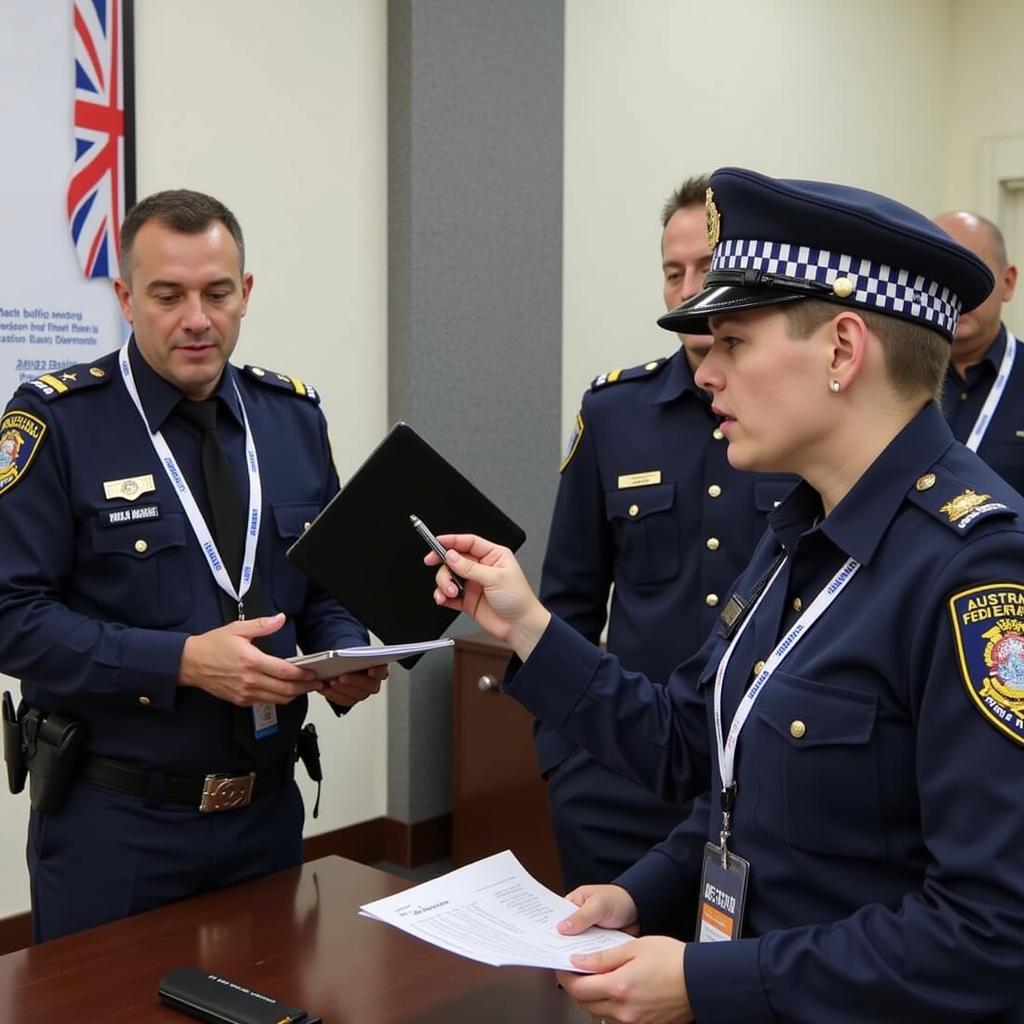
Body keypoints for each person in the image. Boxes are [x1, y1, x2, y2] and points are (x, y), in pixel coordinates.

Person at [426, 168, 1024, 1022]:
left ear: (842, 352)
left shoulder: (979, 571)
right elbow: (707, 757)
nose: (707, 373)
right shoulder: (801, 531)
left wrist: (708, 983)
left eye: (734, 342)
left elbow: (992, 935)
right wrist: (527, 628)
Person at [0, 189, 386, 942]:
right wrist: (179, 662)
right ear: (125, 298)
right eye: (167, 295)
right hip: (117, 824)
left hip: (266, 815)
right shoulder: (58, 421)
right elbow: (13, 617)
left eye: (216, 293)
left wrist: (346, 650)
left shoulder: (292, 418)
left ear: (245, 294)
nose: (196, 319)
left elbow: (326, 583)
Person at [538, 175, 793, 892]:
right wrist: (563, 759)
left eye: (705, 271)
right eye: (672, 273)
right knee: (608, 981)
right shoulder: (616, 410)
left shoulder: (792, 420)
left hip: (759, 776)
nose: (686, 291)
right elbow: (569, 599)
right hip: (620, 773)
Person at [933, 211, 1023, 492]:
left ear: (1007, 282)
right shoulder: (890, 377)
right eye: (941, 272)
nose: (956, 290)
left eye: (973, 272)